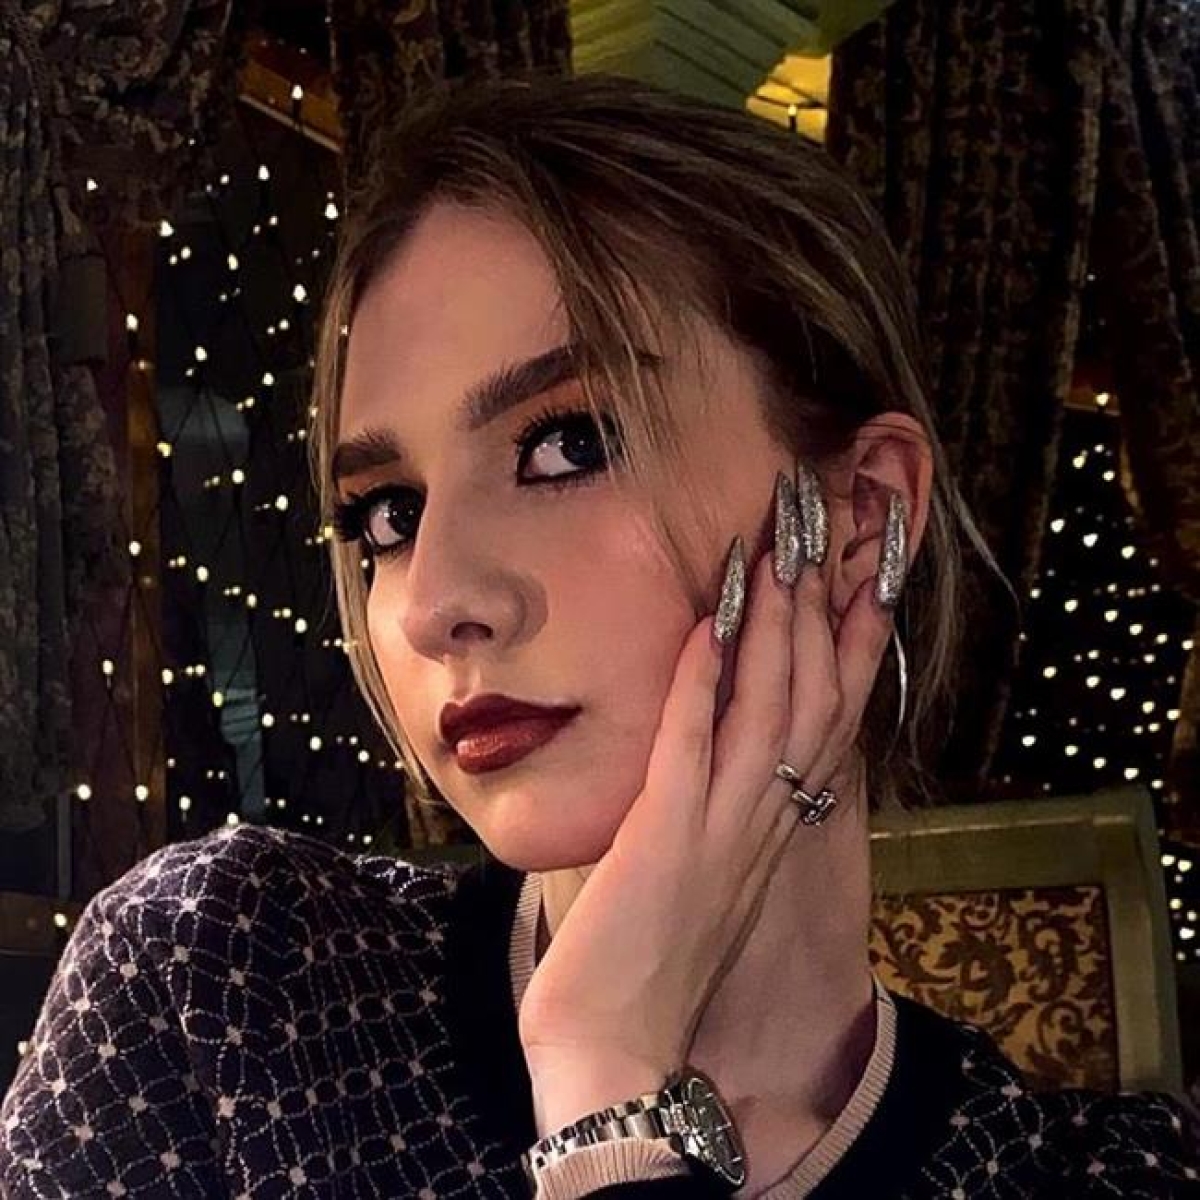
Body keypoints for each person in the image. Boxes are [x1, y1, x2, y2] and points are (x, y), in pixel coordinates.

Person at [2, 72, 1197, 1199]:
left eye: (566, 445)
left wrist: (607, 1081)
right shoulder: (218, 992)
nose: (433, 601)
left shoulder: (1098, 1178)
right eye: (388, 515)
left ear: (859, 518)